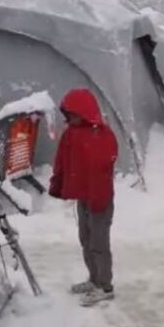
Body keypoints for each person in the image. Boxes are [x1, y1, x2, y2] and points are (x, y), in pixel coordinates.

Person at [48, 88, 119, 307]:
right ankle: (93, 279)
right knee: (86, 239)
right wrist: (58, 184)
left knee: (99, 242)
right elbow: (61, 161)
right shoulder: (71, 133)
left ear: (85, 112)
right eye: (68, 114)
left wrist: (98, 197)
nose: (71, 118)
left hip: (100, 199)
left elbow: (102, 168)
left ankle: (105, 287)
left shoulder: (102, 135)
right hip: (84, 198)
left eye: (74, 114)